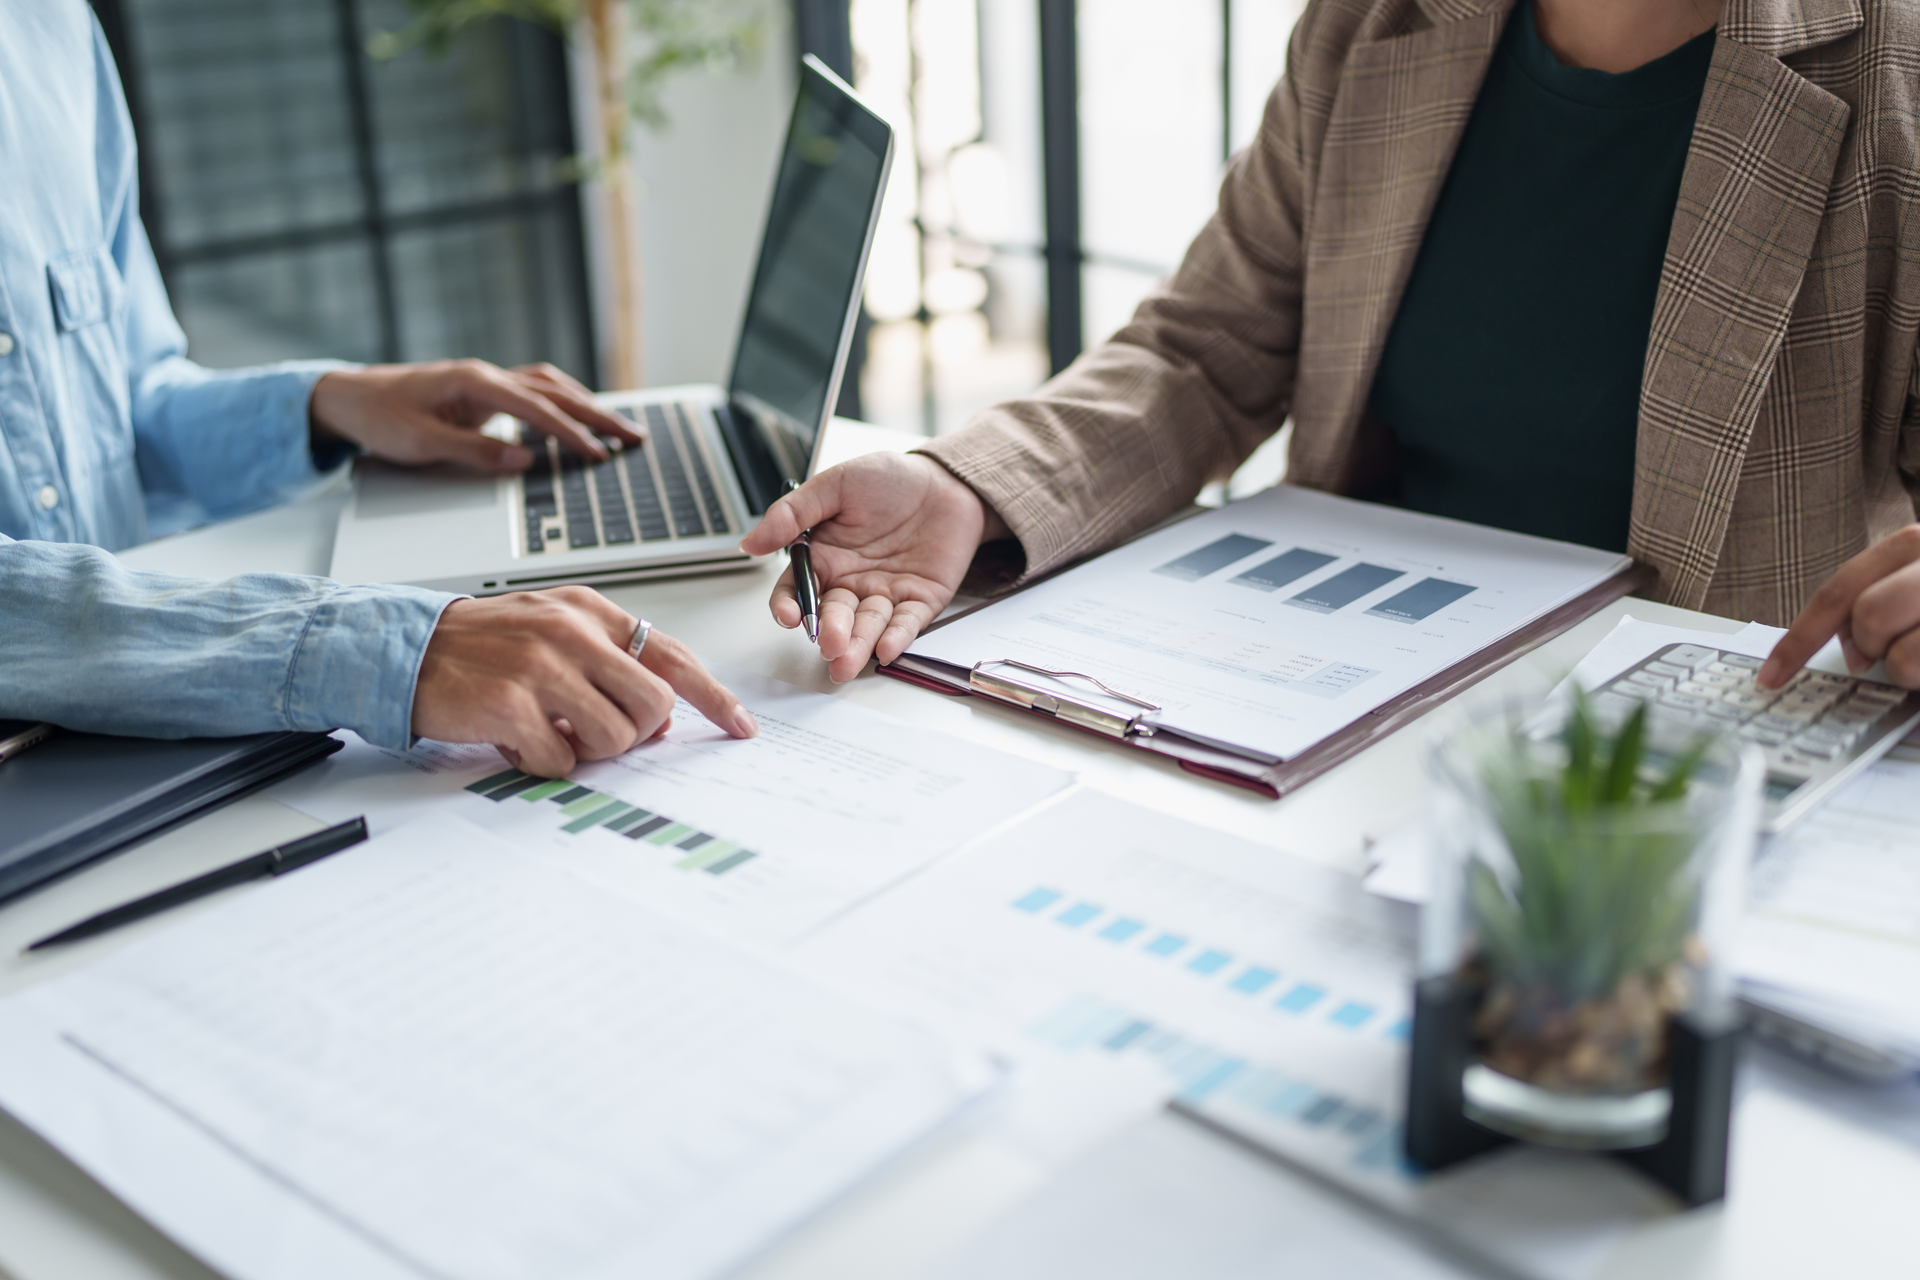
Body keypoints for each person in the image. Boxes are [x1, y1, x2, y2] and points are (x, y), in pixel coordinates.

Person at [743, 0, 1920, 693]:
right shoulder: (1374, 23)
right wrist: (968, 482)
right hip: (1357, 680)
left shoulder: (1894, 64)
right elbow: (1206, 345)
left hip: (1700, 731)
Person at [0, 4, 754, 779]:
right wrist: (394, 652)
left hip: (144, 713)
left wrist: (334, 405)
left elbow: (129, 405)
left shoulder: (48, 24)